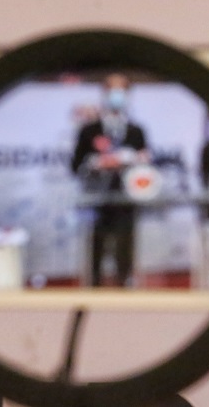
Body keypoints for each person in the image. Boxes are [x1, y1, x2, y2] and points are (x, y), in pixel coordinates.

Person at [71, 73, 150, 287]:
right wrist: (97, 162)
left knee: (125, 250)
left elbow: (146, 165)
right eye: (112, 91)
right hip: (97, 200)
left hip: (126, 200)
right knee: (97, 250)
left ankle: (125, 288)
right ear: (104, 94)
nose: (117, 96)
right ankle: (95, 288)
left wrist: (132, 159)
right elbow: (75, 165)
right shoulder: (89, 130)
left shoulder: (136, 131)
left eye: (121, 91)